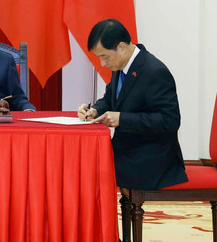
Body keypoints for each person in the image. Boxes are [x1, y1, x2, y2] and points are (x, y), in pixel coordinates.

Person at [78, 18, 187, 190]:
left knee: (87, 170)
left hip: (151, 158)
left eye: (104, 57)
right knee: (81, 161)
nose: (103, 64)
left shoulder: (155, 72)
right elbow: (110, 99)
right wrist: (95, 110)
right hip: (128, 149)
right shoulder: (122, 66)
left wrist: (123, 119)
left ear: (121, 47)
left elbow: (170, 120)